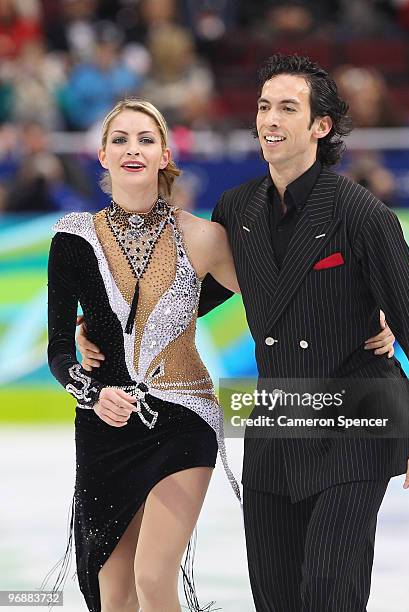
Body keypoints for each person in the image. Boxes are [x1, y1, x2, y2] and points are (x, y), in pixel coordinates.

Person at [75, 56, 409, 612]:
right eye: (264, 105)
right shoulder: (238, 208)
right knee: (274, 596)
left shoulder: (360, 214)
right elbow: (191, 300)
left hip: (358, 418)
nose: (270, 118)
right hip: (277, 421)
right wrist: (105, 328)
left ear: (321, 126)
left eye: (287, 107)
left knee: (328, 591)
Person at [47, 97, 242, 612]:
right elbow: (59, 350)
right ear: (103, 157)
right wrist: (90, 392)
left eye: (146, 139)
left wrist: (370, 315)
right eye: (120, 139)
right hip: (104, 427)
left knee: (153, 578)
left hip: (184, 417)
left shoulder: (203, 237)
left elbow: (279, 295)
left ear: (165, 156)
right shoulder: (72, 238)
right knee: (114, 594)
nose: (133, 149)